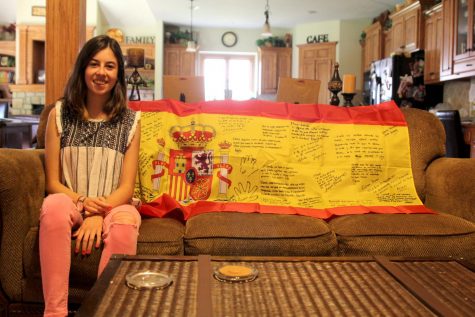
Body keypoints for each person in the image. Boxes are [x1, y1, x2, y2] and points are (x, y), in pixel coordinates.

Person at [40, 35, 141, 317]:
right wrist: (85, 204)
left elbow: (127, 186)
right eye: (94, 64)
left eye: (110, 66)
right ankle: (55, 312)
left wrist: (99, 212)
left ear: (118, 73)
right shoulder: (59, 114)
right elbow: (53, 183)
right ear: (83, 67)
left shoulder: (131, 121)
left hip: (115, 205)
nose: (101, 72)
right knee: (53, 206)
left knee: (124, 222)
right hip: (71, 200)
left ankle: (106, 311)